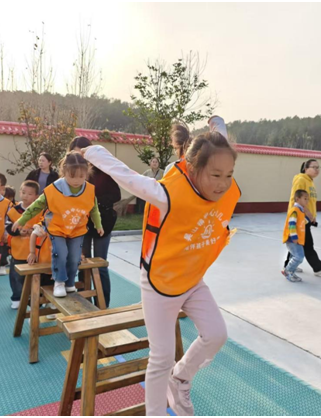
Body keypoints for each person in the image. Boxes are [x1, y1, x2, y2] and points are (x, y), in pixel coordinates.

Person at [79, 116, 240, 416]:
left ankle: (180, 380)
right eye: (216, 175)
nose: (223, 183)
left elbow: (222, 145)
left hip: (191, 280)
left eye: (229, 175)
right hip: (160, 283)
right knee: (162, 356)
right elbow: (127, 177)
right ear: (193, 168)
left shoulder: (220, 179)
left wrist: (218, 125)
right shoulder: (167, 194)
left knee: (217, 334)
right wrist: (93, 152)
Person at [13, 152, 104, 298]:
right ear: (64, 172)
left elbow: (94, 209)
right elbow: (37, 205)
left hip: (77, 229)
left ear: (87, 173)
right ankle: (59, 281)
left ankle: (69, 282)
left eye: (81, 176)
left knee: (74, 258)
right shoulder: (54, 189)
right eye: (72, 176)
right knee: (60, 254)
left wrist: (98, 225)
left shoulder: (89, 189)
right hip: (57, 228)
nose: (77, 180)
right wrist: (22, 220)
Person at [70, 136, 121, 307]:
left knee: (100, 264)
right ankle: (85, 304)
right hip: (80, 224)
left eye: (82, 153)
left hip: (102, 223)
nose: (79, 158)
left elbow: (116, 195)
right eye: (76, 153)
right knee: (82, 263)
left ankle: (102, 304)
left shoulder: (103, 170)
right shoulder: (71, 173)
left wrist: (94, 202)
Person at [283, 159, 321, 277]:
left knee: (299, 243)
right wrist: (307, 214)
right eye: (313, 167)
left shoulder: (310, 182)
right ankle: (318, 268)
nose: (316, 170)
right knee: (308, 244)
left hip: (306, 218)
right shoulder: (301, 180)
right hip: (300, 218)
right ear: (306, 169)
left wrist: (312, 216)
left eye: (318, 167)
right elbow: (297, 200)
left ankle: (289, 264)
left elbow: (310, 202)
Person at [5, 180, 42, 309]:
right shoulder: (13, 211)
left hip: (36, 251)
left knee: (35, 277)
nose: (25, 196)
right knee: (16, 276)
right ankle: (17, 298)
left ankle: (35, 299)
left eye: (30, 194)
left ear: (36, 196)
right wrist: (18, 232)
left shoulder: (40, 210)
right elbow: (7, 227)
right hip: (18, 250)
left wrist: (34, 230)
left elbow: (44, 224)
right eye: (23, 192)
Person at [281, 190, 309, 283]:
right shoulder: (295, 210)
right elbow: (291, 224)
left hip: (297, 239)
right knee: (299, 257)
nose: (307, 201)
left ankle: (291, 271)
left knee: (294, 256)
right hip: (292, 239)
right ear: (297, 199)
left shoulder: (300, 210)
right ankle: (288, 271)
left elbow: (301, 222)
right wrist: (294, 237)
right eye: (305, 199)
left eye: (307, 199)